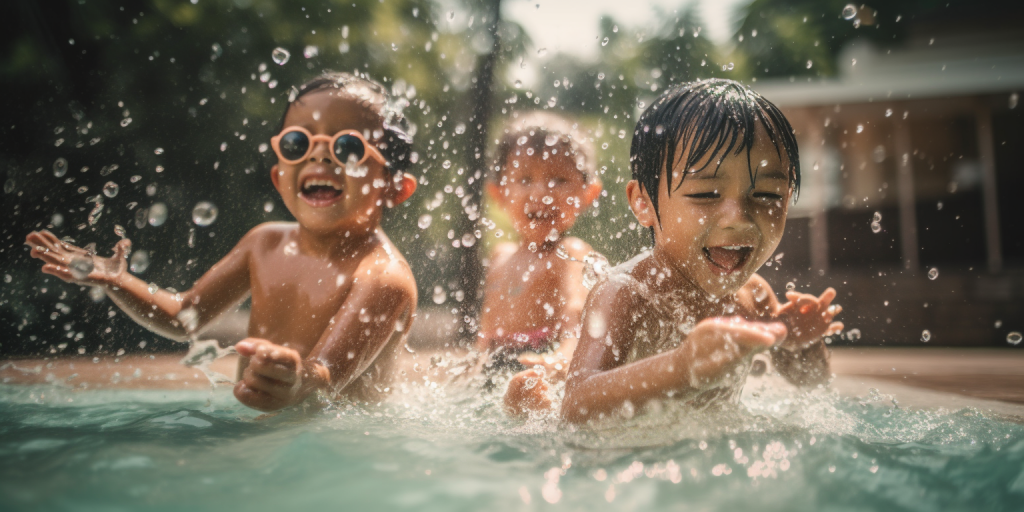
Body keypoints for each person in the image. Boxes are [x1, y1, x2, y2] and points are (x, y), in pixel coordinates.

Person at [26, 72, 419, 412]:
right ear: (279, 177)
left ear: (395, 188)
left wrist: (298, 380)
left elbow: (324, 380)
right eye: (299, 144)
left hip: (343, 447)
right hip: (262, 427)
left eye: (347, 148)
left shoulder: (383, 276)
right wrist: (117, 280)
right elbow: (184, 317)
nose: (320, 156)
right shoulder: (263, 244)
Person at [560, 79, 844, 425]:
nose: (738, 219)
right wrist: (681, 368)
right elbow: (576, 405)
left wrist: (801, 342)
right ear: (643, 202)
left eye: (767, 195)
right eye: (707, 194)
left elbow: (810, 382)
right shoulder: (625, 293)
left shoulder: (753, 295)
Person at [473, 111, 602, 416]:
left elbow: (577, 317)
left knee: (531, 404)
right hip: (495, 368)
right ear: (499, 193)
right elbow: (487, 329)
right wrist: (473, 369)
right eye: (524, 179)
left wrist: (561, 360)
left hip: (541, 366)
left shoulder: (570, 254)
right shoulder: (500, 256)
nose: (541, 193)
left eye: (559, 179)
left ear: (587, 193)